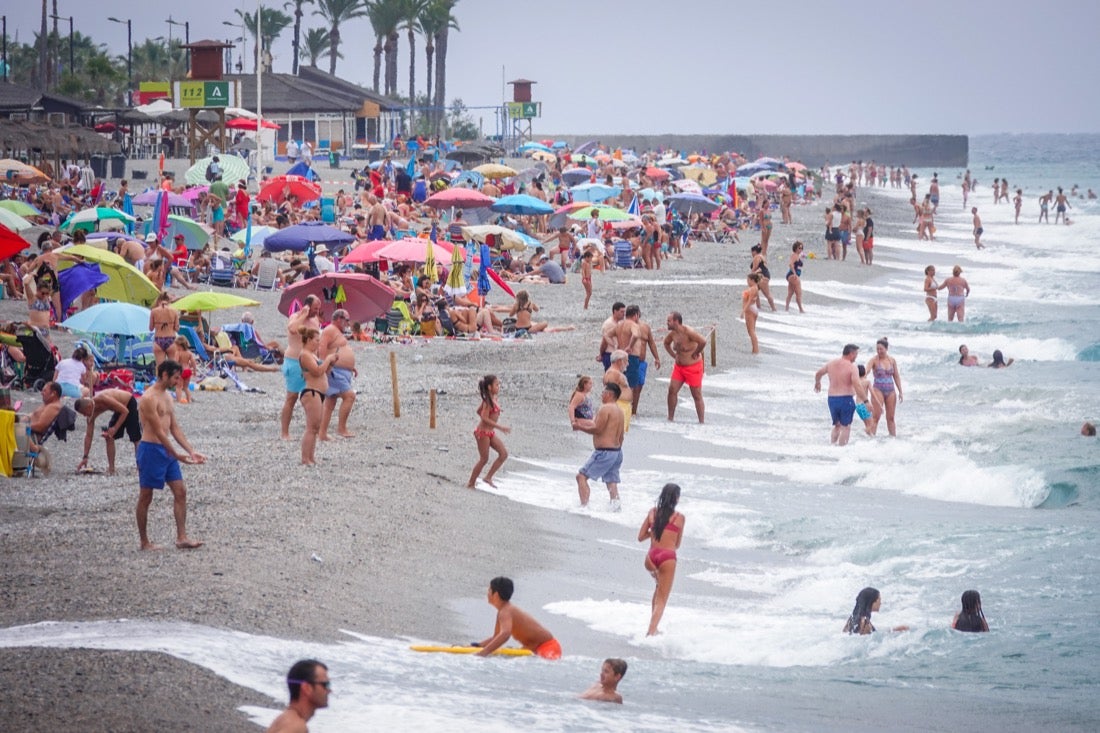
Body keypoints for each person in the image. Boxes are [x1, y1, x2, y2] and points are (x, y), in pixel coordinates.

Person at [135, 360, 206, 550]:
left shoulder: (167, 396)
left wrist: (190, 450)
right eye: (175, 377)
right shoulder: (149, 398)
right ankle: (144, 541)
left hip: (166, 451)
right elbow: (158, 431)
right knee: (146, 496)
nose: (178, 382)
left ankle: (182, 537)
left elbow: (173, 427)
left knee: (180, 491)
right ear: (164, 375)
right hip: (151, 449)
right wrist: (177, 454)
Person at [637, 482, 684, 636]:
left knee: (658, 589)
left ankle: (654, 626)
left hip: (650, 558)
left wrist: (655, 532)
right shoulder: (679, 518)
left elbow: (640, 537)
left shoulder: (652, 513)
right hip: (667, 558)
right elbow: (677, 544)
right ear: (676, 499)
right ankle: (651, 632)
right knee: (663, 598)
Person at [474, 576, 561, 659]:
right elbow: (496, 637)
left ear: (496, 595)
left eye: (489, 590)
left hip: (548, 648)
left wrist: (483, 653)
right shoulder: (504, 611)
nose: (487, 593)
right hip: (540, 648)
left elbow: (505, 634)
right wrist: (477, 645)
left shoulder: (506, 612)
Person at [573, 382, 626, 510]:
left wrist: (579, 427)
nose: (601, 395)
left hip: (604, 452)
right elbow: (621, 436)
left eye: (603, 393)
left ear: (609, 394)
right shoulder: (620, 411)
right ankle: (616, 508)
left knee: (581, 477)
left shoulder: (605, 408)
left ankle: (584, 507)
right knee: (611, 482)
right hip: (617, 452)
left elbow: (597, 429)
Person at [281, 295, 322, 440]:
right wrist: (303, 313)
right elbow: (292, 329)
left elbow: (317, 342)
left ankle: (311, 429)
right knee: (291, 397)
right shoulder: (296, 317)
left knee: (312, 396)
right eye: (315, 309)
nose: (316, 312)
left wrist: (319, 360)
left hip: (311, 360)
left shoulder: (315, 320)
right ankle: (284, 432)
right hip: (294, 360)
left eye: (318, 309)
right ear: (308, 306)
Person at [74, 388, 141, 475]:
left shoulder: (103, 399)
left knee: (135, 438)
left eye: (84, 413)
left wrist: (115, 428)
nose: (84, 415)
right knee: (109, 437)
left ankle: (140, 468)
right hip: (119, 408)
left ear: (89, 406)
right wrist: (85, 457)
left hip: (128, 403)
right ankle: (111, 469)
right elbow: (89, 435)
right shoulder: (91, 414)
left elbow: (125, 411)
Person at [813, 344, 868, 446]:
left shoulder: (831, 363)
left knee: (837, 425)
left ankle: (832, 445)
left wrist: (817, 383)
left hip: (832, 399)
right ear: (851, 354)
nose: (856, 357)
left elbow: (818, 373)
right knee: (846, 426)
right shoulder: (852, 367)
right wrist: (866, 401)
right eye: (856, 354)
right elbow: (857, 385)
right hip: (846, 399)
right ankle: (842, 449)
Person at [297, 327, 338, 466]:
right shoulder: (305, 355)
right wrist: (327, 359)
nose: (318, 343)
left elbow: (324, 372)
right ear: (308, 340)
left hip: (318, 392)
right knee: (311, 427)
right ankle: (305, 458)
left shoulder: (312, 355)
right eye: (316, 340)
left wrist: (330, 363)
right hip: (311, 392)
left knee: (315, 427)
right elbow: (317, 371)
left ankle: (311, 457)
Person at [318, 309, 357, 440]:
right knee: (349, 396)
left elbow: (338, 349)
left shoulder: (337, 332)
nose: (348, 323)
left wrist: (351, 366)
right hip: (334, 370)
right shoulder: (330, 330)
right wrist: (324, 367)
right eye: (346, 320)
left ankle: (322, 433)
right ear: (339, 319)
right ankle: (341, 428)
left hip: (341, 370)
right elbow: (321, 348)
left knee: (330, 402)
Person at [616, 305, 661, 416]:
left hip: (641, 361)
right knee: (628, 384)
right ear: (635, 315)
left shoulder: (645, 327)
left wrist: (657, 358)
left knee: (638, 387)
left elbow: (651, 342)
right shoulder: (626, 326)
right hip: (629, 359)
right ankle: (624, 409)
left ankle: (633, 411)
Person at [467, 374, 509, 488]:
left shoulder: (492, 399)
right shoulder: (488, 402)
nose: (498, 387)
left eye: (498, 384)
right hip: (482, 433)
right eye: (496, 385)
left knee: (503, 454)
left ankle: (488, 477)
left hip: (489, 433)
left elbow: (478, 411)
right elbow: (484, 417)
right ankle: (471, 483)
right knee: (484, 459)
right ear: (490, 387)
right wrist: (500, 427)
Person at [664, 312, 707, 423]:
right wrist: (674, 356)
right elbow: (666, 343)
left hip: (693, 367)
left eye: (669, 321)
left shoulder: (688, 332)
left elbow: (703, 341)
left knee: (696, 394)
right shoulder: (673, 333)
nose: (667, 323)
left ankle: (701, 421)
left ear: (676, 321)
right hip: (679, 367)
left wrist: (697, 352)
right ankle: (670, 418)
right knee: (672, 390)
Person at [265, 659, 330, 733]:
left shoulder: (285, 718)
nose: (329, 690)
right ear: (307, 688)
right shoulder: (296, 726)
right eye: (325, 685)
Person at [866, 337, 903, 437]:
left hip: (891, 391)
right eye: (877, 349)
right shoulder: (874, 360)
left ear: (886, 349)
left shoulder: (892, 360)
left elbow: (896, 376)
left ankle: (893, 439)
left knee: (890, 418)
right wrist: (861, 378)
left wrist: (900, 391)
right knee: (876, 417)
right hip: (878, 390)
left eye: (881, 349)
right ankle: (871, 439)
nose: (879, 351)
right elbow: (867, 370)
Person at [843, 587, 908, 634]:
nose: (880, 603)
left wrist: (895, 630)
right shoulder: (865, 623)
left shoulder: (851, 619)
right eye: (879, 600)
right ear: (872, 602)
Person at [149, 292, 180, 367]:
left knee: (160, 368)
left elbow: (151, 328)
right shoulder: (174, 311)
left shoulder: (154, 311)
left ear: (159, 300)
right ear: (168, 301)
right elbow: (177, 328)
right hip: (171, 340)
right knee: (172, 368)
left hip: (159, 339)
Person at [749, 244, 776, 311]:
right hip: (764, 275)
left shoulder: (757, 257)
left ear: (754, 251)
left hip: (761, 276)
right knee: (755, 290)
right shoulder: (762, 256)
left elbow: (754, 268)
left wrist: (750, 276)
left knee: (767, 293)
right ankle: (758, 307)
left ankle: (774, 309)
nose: (751, 254)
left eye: (752, 252)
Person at [742, 272, 762, 355]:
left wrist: (743, 311)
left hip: (750, 309)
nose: (747, 282)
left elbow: (749, 301)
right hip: (753, 308)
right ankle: (754, 348)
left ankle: (756, 349)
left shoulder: (753, 289)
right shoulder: (755, 288)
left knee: (751, 331)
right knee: (751, 330)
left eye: (748, 280)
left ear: (752, 280)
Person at [785, 241, 805, 313]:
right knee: (798, 293)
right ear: (795, 248)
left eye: (802, 248)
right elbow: (790, 264)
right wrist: (795, 274)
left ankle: (786, 308)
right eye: (799, 248)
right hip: (793, 275)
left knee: (790, 293)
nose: (801, 249)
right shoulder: (794, 255)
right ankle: (801, 309)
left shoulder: (797, 255)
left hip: (792, 275)